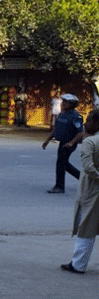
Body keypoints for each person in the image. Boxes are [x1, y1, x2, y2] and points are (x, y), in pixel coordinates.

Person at [61, 109, 99, 274]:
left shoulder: (90, 142)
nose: (85, 123)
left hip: (91, 191)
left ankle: (78, 265)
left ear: (97, 124)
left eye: (89, 121)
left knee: (86, 229)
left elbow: (89, 168)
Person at [43, 94, 83, 194]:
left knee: (61, 164)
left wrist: (71, 143)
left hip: (68, 143)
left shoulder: (76, 117)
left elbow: (80, 132)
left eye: (66, 102)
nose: (63, 103)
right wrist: (47, 140)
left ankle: (59, 186)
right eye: (63, 101)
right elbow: (56, 128)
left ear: (72, 104)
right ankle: (84, 179)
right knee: (64, 164)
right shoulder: (62, 114)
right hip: (62, 142)